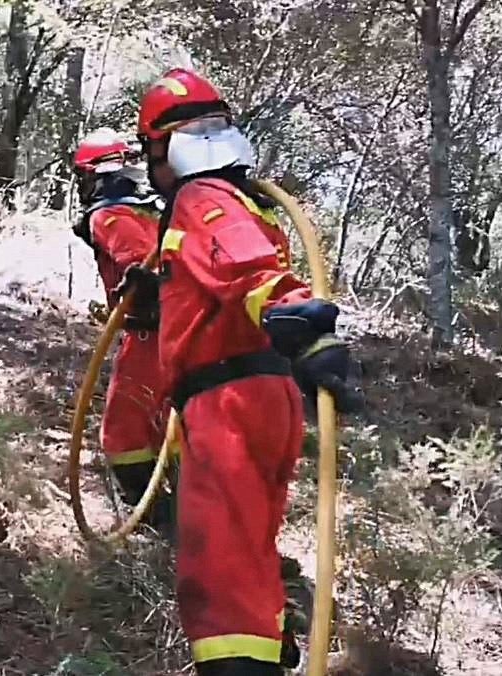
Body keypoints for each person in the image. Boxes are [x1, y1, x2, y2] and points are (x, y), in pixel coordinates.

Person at [122, 68, 362, 676]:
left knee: (219, 567)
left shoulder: (201, 198)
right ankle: (269, 644)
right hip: (263, 395)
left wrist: (297, 320)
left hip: (227, 400)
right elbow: (217, 278)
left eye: (154, 157)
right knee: (247, 547)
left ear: (166, 150)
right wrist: (158, 292)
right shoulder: (242, 203)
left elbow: (246, 269)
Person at [71, 128, 175, 534]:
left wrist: (141, 283)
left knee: (123, 431)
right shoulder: (154, 208)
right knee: (170, 424)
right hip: (185, 332)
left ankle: (156, 520)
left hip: (151, 336)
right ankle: (192, 512)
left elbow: (138, 264)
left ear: (94, 174)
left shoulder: (110, 214)